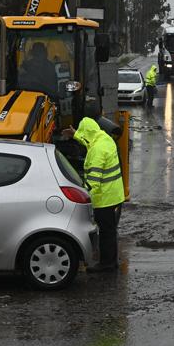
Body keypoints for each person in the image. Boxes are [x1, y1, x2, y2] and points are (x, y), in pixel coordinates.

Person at [63, 117, 125, 272]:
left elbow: (93, 184)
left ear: (88, 133)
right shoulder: (104, 139)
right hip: (115, 195)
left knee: (106, 233)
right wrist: (76, 135)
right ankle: (112, 262)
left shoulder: (97, 152)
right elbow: (88, 141)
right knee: (110, 231)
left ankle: (107, 264)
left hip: (105, 199)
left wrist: (81, 199)